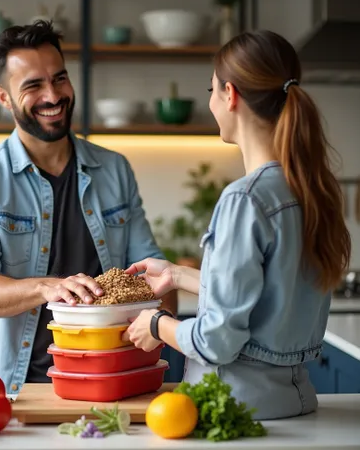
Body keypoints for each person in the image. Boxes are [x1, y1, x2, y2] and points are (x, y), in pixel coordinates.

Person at [122, 30, 351, 420]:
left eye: (211, 90)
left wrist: (157, 324)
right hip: (296, 407)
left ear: (230, 95)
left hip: (236, 411)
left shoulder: (244, 199)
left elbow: (217, 341)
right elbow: (268, 297)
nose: (211, 102)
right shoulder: (312, 188)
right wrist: (177, 275)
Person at [0, 20, 173, 394]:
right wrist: (48, 287)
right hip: (13, 390)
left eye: (60, 79)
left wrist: (164, 325)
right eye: (33, 85)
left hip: (111, 381)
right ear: (3, 97)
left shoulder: (114, 169)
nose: (53, 95)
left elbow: (153, 270)